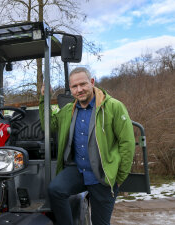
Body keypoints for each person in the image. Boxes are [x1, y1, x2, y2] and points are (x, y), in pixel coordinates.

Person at [39, 67, 135, 225]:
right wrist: (45, 98)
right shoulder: (69, 110)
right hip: (78, 170)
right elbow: (49, 125)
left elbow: (127, 143)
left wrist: (118, 177)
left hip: (102, 175)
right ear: (70, 88)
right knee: (55, 190)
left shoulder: (113, 107)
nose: (79, 90)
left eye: (83, 84)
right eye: (74, 86)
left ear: (92, 82)